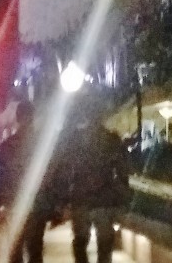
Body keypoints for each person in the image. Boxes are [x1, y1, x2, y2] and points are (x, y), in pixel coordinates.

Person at [58, 98, 129, 263]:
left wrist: (63, 197)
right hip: (103, 198)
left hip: (81, 198)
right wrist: (123, 195)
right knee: (104, 244)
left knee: (81, 242)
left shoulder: (76, 140)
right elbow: (122, 170)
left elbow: (66, 168)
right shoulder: (112, 139)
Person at [0, 101, 56, 263]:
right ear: (33, 118)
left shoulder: (7, 145)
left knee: (15, 248)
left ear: (17, 118)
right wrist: (56, 207)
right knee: (35, 249)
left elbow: (0, 177)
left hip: (14, 202)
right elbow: (52, 175)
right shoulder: (43, 144)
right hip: (38, 203)